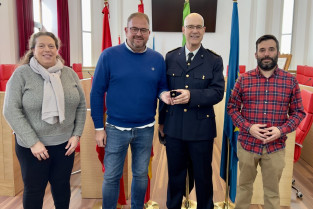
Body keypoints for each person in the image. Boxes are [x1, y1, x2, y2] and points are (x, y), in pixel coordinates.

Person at [90, 12, 172, 209]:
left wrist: (163, 95)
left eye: (143, 30)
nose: (138, 33)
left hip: (145, 129)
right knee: (111, 176)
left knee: (141, 174)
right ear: (126, 31)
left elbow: (162, 87)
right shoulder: (109, 55)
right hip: (114, 129)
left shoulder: (157, 59)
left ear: (148, 33)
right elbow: (96, 92)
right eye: (134, 29)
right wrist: (98, 128)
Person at [3, 32, 87, 209]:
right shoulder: (21, 74)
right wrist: (33, 142)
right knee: (34, 191)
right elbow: (10, 110)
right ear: (33, 50)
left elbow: (80, 106)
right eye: (41, 45)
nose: (47, 50)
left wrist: (76, 135)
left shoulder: (69, 74)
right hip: (32, 148)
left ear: (57, 50)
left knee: (62, 188)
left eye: (51, 46)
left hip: (65, 145)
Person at [227, 34, 306, 209]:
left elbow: (299, 112)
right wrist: (248, 127)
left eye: (271, 49)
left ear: (277, 52)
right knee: (244, 188)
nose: (267, 54)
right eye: (262, 50)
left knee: (272, 192)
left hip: (275, 147)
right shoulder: (244, 79)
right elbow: (232, 107)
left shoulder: (290, 80)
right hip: (247, 145)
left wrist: (281, 130)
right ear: (256, 54)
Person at [159, 13, 225, 209]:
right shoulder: (170, 57)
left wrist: (192, 96)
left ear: (204, 31)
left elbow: (218, 92)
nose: (194, 31)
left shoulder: (214, 60)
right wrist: (162, 122)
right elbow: (164, 90)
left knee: (203, 178)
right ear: (183, 30)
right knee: (175, 176)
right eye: (190, 27)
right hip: (174, 128)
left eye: (199, 27)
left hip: (201, 130)